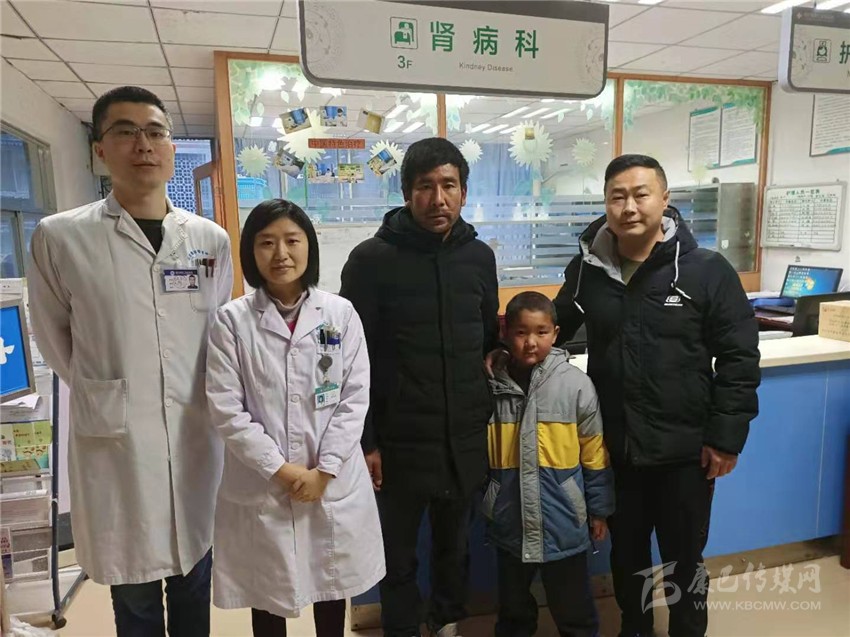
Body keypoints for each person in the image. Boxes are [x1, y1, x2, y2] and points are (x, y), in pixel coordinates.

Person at [28, 86, 233, 635]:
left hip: (193, 434)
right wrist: (109, 390)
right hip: (116, 443)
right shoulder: (61, 236)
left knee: (195, 576)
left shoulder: (209, 239)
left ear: (171, 147)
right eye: (125, 131)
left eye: (155, 131)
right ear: (100, 149)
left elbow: (216, 329)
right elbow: (54, 338)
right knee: (135, 594)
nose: (143, 144)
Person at [552, 154, 760, 637]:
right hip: (617, 448)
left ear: (665, 200)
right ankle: (635, 628)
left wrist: (726, 438)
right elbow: (553, 327)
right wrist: (506, 349)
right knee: (626, 555)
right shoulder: (587, 270)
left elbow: (739, 357)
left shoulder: (705, 270)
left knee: (684, 558)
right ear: (606, 204)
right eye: (617, 196)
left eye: (641, 194)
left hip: (684, 451)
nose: (629, 207)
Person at [340, 137, 499, 637]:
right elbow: (351, 361)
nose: (438, 199)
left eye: (449, 185)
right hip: (399, 443)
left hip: (462, 440)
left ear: (464, 192)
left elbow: (485, 339)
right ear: (407, 193)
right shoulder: (370, 260)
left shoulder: (479, 257)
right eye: (426, 186)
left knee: (456, 550)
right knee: (398, 559)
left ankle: (447, 626)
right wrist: (367, 441)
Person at [205, 200, 384, 634]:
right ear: (251, 252)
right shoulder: (231, 322)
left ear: (309, 247)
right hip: (264, 481)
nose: (281, 253)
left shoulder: (340, 314)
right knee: (267, 592)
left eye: (291, 240)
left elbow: (354, 398)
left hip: (330, 479)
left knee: (330, 584)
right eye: (266, 243)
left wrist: (325, 470)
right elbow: (226, 408)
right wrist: (282, 470)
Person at [487, 292, 614, 637]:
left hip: (564, 521)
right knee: (512, 609)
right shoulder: (491, 384)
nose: (531, 342)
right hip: (509, 520)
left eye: (541, 332)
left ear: (556, 333)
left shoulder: (575, 385)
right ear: (505, 333)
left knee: (573, 608)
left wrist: (599, 509)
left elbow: (594, 452)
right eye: (521, 332)